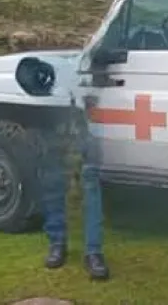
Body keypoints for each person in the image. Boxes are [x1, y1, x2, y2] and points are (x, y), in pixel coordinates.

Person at [38, 97, 110, 281]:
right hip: (54, 111)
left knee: (91, 183)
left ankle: (93, 252)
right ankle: (57, 242)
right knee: (53, 180)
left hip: (88, 113)